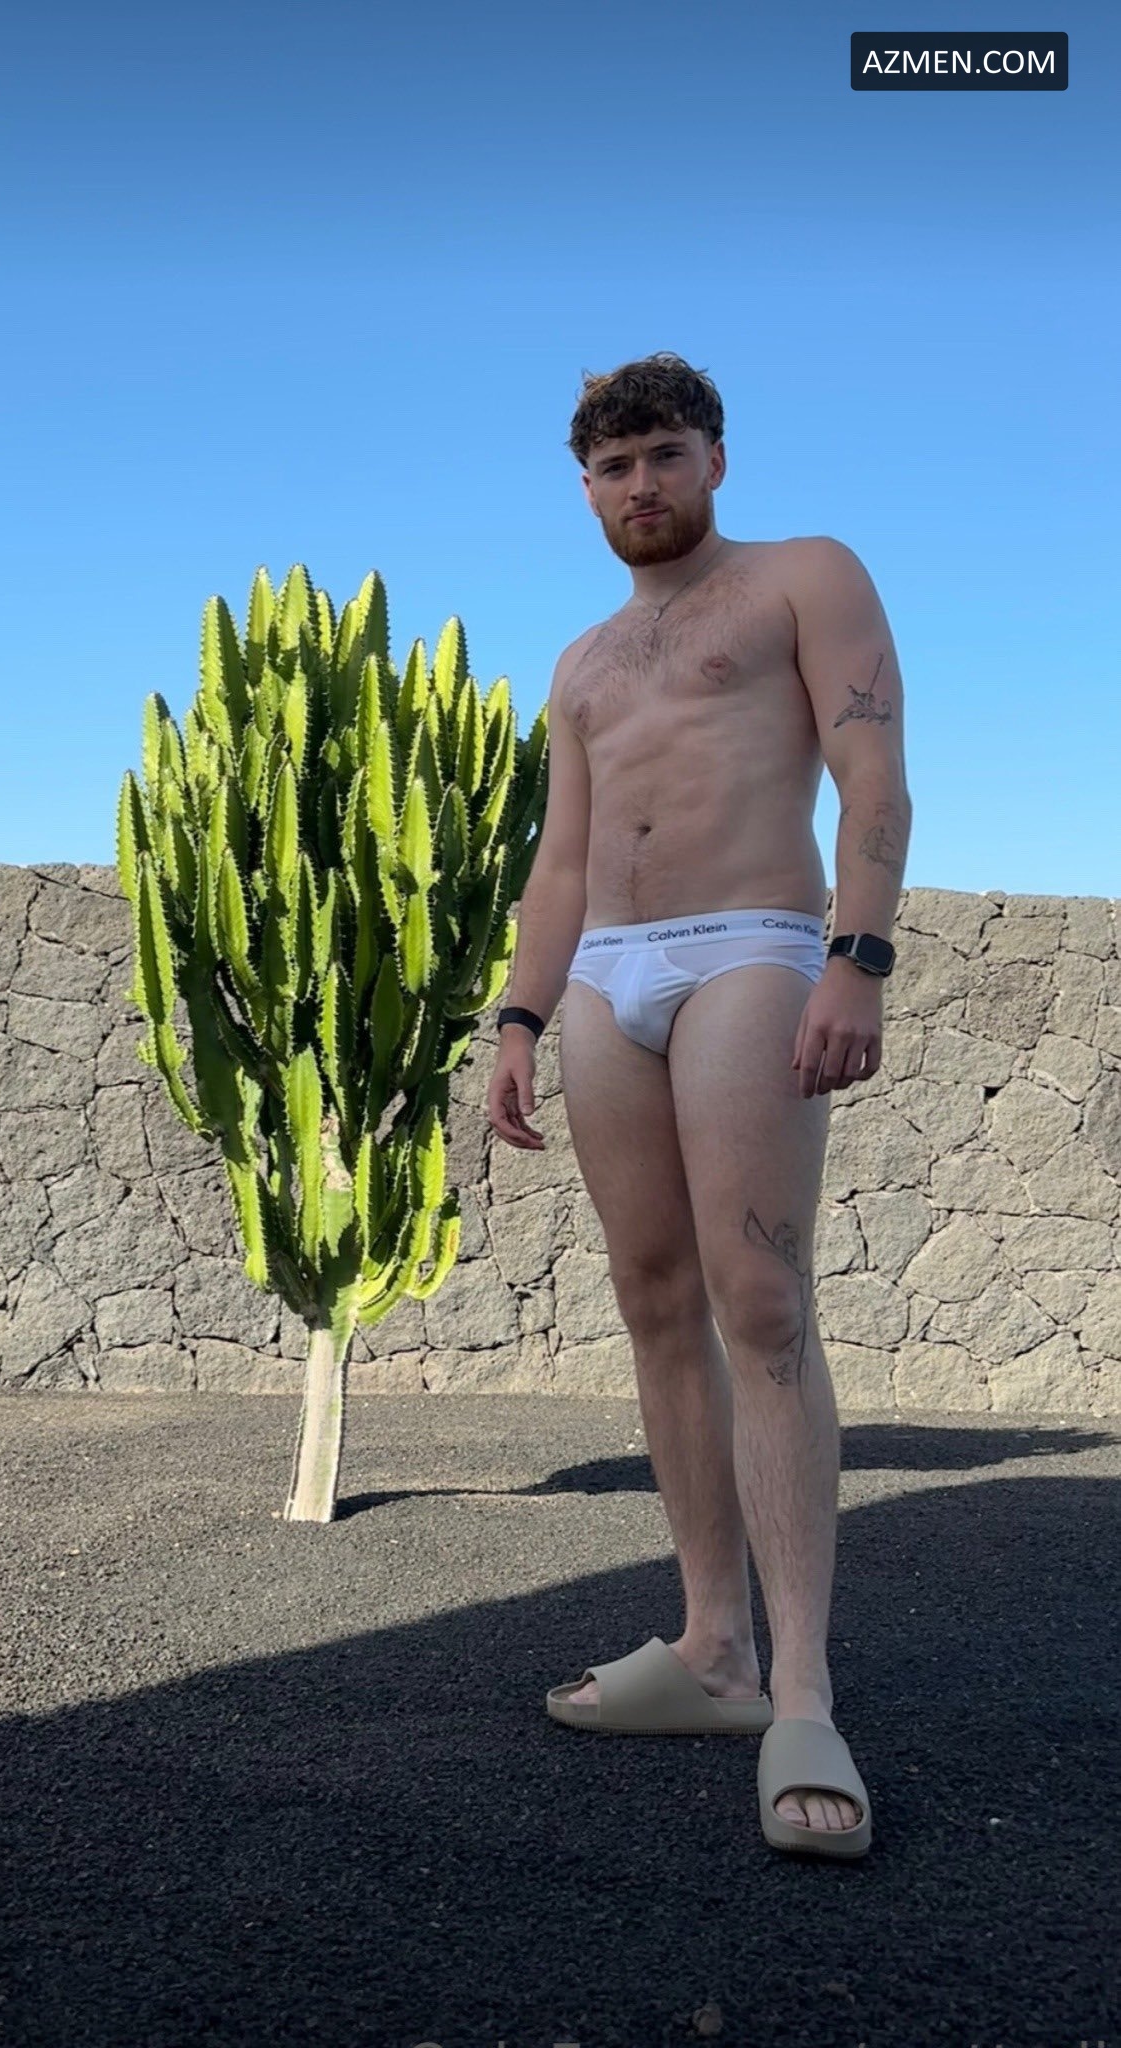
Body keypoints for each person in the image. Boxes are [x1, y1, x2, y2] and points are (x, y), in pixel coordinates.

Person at [486, 352, 912, 1859]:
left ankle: (802, 1690)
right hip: (609, 973)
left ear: (715, 459)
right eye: (613, 468)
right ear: (586, 489)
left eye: (664, 454)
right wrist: (519, 1017)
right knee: (656, 1300)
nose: (641, 486)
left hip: (753, 944)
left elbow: (873, 775)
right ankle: (715, 1647)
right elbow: (560, 860)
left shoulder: (803, 576)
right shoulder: (584, 663)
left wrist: (858, 958)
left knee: (763, 1301)